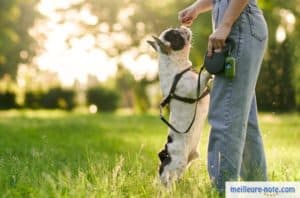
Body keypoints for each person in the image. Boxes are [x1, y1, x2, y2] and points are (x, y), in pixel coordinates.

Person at [178, 0, 268, 191]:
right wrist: (196, 8)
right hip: (240, 24)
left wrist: (226, 24)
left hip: (239, 26)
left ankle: (222, 190)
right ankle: (260, 190)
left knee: (225, 114)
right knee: (242, 118)